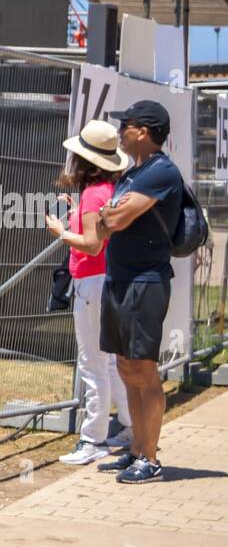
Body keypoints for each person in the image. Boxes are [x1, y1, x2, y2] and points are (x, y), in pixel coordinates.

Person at [93, 100, 184, 483]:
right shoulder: (133, 173)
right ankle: (135, 449)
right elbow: (104, 225)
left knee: (143, 369)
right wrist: (110, 216)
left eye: (125, 125)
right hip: (120, 279)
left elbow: (113, 219)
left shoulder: (161, 171)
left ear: (143, 131)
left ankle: (151, 458)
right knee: (126, 367)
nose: (120, 132)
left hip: (144, 282)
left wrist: (110, 214)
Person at [44, 120, 133, 464]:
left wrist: (61, 232)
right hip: (105, 280)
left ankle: (93, 439)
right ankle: (128, 426)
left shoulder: (95, 193)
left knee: (93, 364)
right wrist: (75, 215)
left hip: (92, 282)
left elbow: (93, 245)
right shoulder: (109, 189)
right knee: (108, 362)